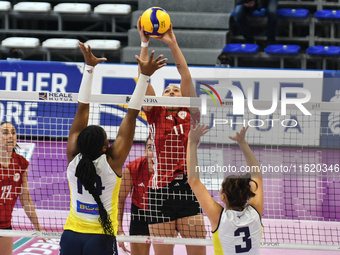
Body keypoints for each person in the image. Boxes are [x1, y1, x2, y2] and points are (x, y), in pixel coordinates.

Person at [59, 42, 166, 255]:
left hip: (70, 235)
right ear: (104, 147)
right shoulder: (112, 163)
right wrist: (144, 76)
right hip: (100, 239)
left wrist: (89, 68)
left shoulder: (72, 159)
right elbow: (132, 114)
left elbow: (82, 107)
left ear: (79, 143)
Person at [137, 17, 207, 255]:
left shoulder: (191, 113)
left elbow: (184, 74)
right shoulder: (155, 114)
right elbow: (143, 80)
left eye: (175, 90)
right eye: (167, 90)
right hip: (160, 193)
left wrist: (173, 43)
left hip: (189, 189)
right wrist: (144, 44)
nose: (170, 91)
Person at [187, 125, 263, 255]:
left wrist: (191, 142)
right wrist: (242, 142)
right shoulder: (255, 213)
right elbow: (257, 174)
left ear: (223, 197)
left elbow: (193, 181)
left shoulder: (220, 218)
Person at [0, 121, 45, 255]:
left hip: (5, 225)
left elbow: (25, 198)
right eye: (5, 132)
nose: (10, 136)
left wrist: (38, 227)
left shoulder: (20, 163)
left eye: (13, 132)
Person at [117, 138, 153, 255]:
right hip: (140, 214)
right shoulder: (133, 168)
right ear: (145, 152)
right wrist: (119, 229)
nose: (153, 152)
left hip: (164, 214)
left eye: (157, 147)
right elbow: (120, 199)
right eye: (150, 148)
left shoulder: (170, 169)